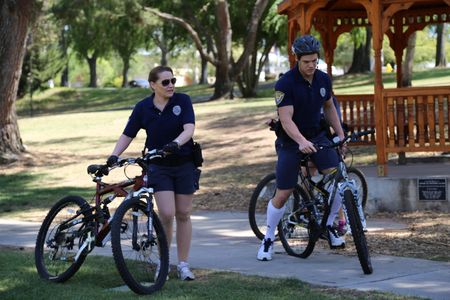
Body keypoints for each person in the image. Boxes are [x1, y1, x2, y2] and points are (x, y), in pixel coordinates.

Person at [257, 35, 347, 261]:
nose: (311, 65)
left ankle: (329, 226)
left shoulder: (323, 79)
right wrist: (300, 141)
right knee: (284, 191)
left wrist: (340, 133)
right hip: (290, 141)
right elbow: (285, 120)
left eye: (315, 61)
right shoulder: (285, 84)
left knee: (337, 180)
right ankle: (268, 238)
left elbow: (329, 108)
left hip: (317, 136)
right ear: (297, 59)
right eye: (306, 61)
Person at [107, 66, 198, 280]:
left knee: (183, 213)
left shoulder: (182, 101)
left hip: (184, 163)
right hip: (158, 166)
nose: (171, 85)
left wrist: (175, 143)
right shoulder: (143, 108)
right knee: (166, 214)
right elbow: (128, 133)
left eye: (173, 81)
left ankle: (183, 265)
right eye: (165, 82)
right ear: (152, 85)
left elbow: (189, 129)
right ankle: (164, 263)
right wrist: (114, 155)